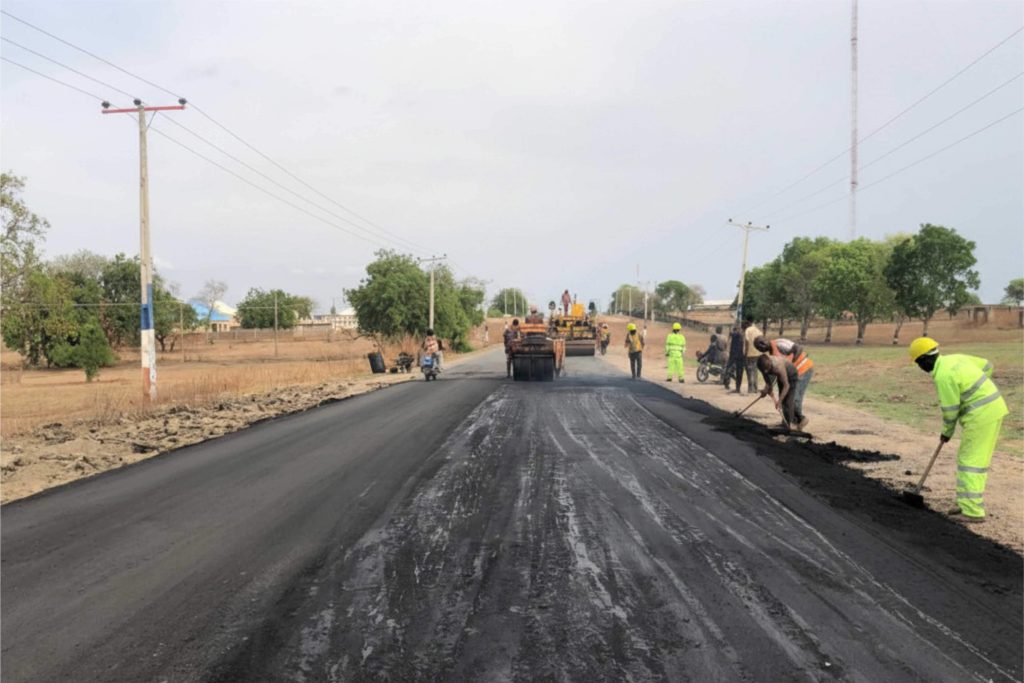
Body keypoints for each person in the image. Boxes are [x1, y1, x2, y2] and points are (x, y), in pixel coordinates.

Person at [909, 337, 1008, 524]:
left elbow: (950, 410)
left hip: (981, 416)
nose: (920, 368)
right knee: (973, 459)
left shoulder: (943, 376)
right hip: (993, 408)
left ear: (924, 361)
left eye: (918, 364)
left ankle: (972, 511)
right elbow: (987, 366)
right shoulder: (956, 358)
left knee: (971, 461)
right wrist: (978, 388)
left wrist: (946, 432)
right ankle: (965, 503)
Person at [754, 336, 814, 427]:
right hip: (790, 373)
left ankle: (799, 421)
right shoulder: (770, 357)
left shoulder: (780, 343)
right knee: (784, 397)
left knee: (794, 398)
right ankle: (787, 421)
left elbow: (798, 348)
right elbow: (772, 374)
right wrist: (767, 389)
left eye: (760, 346)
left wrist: (790, 363)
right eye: (758, 349)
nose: (760, 349)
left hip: (803, 368)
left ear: (765, 341)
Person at [757, 354, 805, 430]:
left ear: (770, 363)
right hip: (781, 376)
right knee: (783, 400)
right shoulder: (762, 366)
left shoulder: (778, 366)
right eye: (764, 370)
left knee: (787, 400)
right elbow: (768, 382)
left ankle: (794, 423)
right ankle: (787, 423)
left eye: (767, 369)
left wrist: (779, 401)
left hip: (791, 375)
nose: (765, 371)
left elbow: (786, 386)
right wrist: (766, 391)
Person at [743, 319, 763, 393]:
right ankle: (755, 388)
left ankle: (750, 388)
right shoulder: (758, 331)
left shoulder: (747, 330)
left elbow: (747, 342)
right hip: (758, 353)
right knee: (755, 371)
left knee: (750, 371)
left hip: (750, 354)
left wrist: (746, 352)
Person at [724, 324, 746, 392]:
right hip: (740, 355)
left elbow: (730, 337)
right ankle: (738, 388)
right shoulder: (742, 335)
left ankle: (726, 383)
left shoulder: (735, 334)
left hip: (733, 355)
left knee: (728, 369)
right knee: (739, 372)